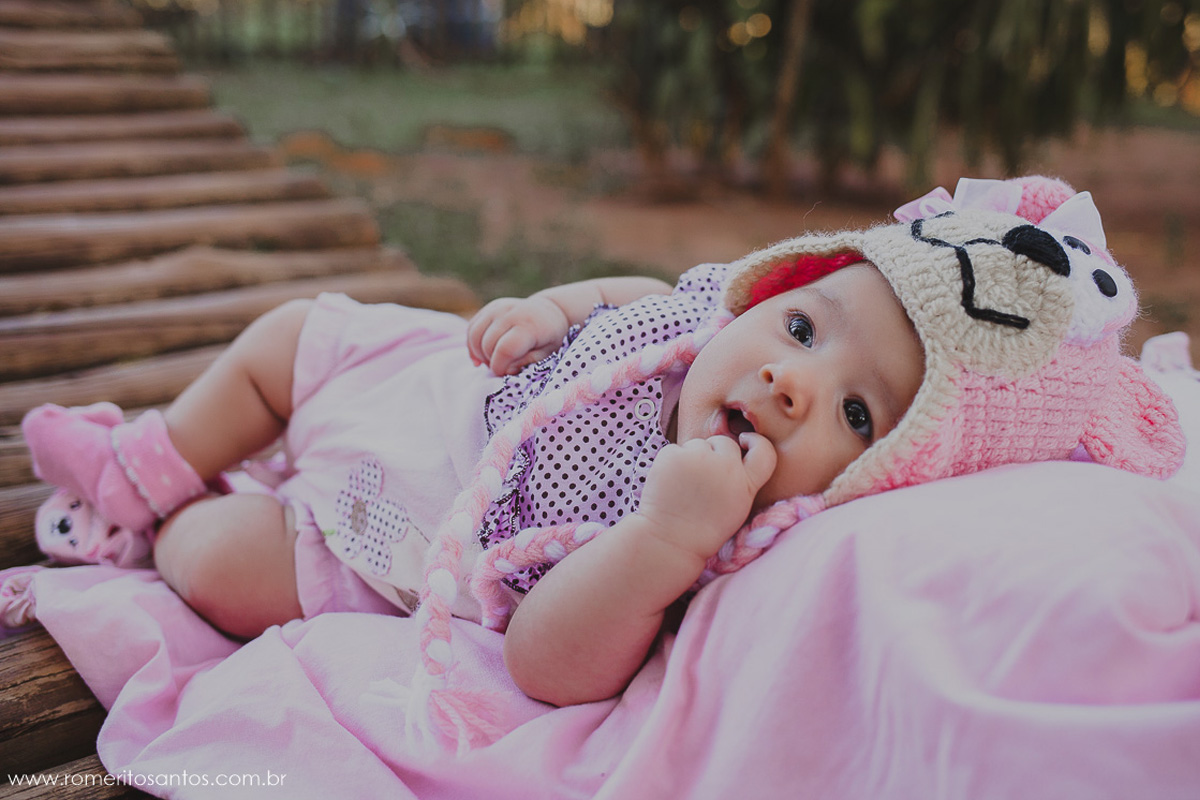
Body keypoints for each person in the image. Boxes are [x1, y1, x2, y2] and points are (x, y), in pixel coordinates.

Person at [15, 176, 1185, 717]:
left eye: (857, 411)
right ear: (781, 288)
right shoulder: (716, 317)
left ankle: (172, 516)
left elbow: (547, 659)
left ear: (876, 476)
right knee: (287, 336)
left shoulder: (718, 530)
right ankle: (145, 463)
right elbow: (638, 294)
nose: (792, 377)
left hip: (408, 531)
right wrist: (555, 308)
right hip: (443, 383)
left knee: (215, 557)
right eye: (802, 324)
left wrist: (665, 542)